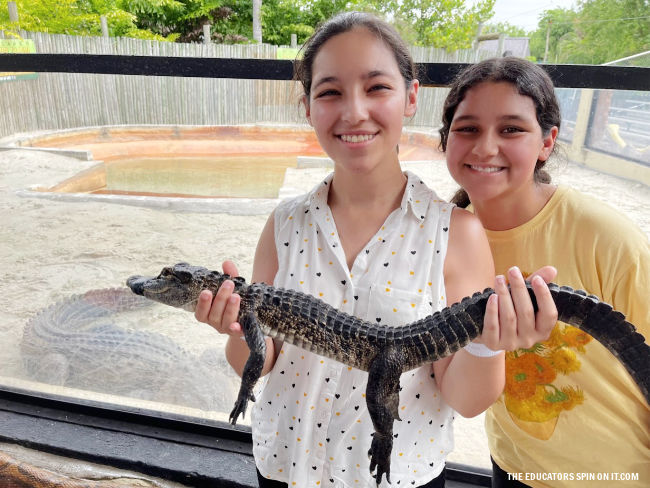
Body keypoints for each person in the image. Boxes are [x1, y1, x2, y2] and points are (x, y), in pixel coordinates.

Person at [196, 14, 557, 487]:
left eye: (376, 87)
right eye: (329, 92)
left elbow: (466, 401)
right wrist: (237, 328)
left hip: (397, 476)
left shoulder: (458, 233)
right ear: (307, 106)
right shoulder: (284, 225)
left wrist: (490, 344)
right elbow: (263, 361)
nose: (353, 112)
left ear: (411, 97)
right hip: (284, 465)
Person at [439, 57, 650, 488]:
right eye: (467, 129)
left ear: (547, 142)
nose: (484, 147)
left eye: (511, 129)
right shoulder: (441, 241)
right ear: (445, 140)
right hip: (515, 467)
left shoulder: (604, 237)